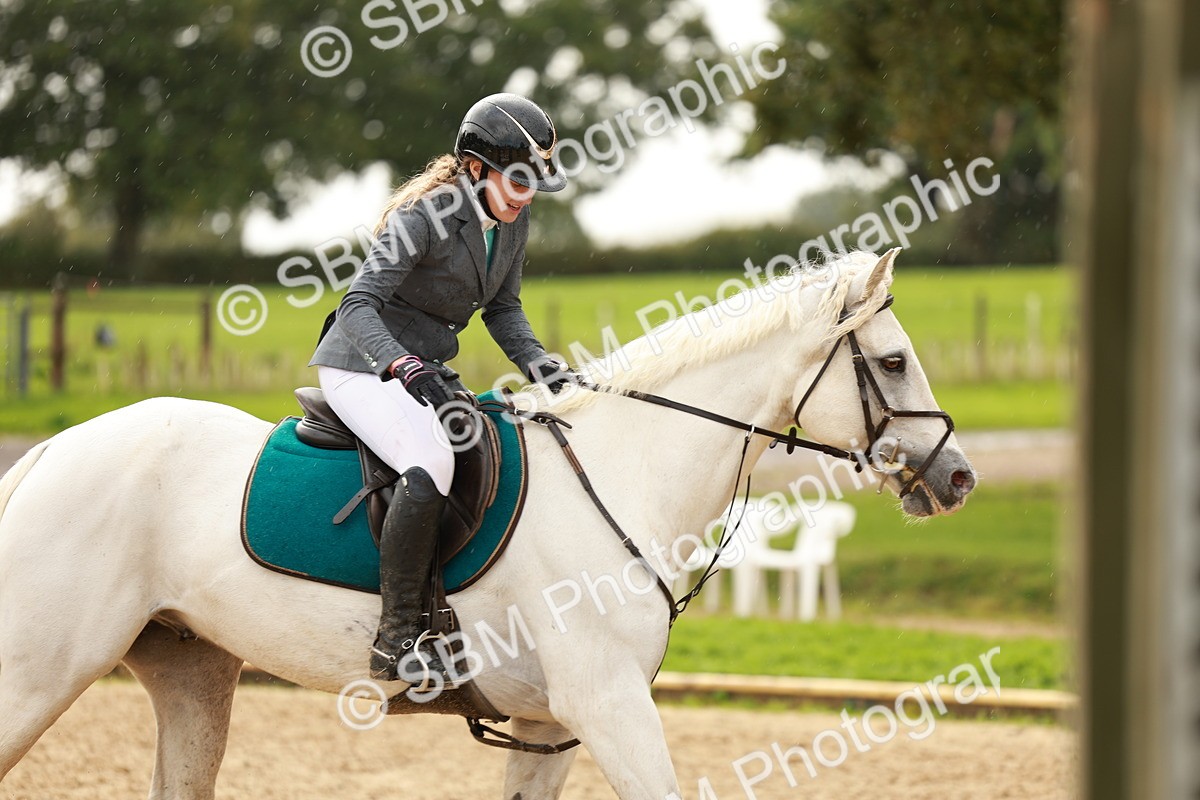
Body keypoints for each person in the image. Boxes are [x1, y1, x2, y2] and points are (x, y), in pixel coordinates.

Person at [309, 94, 579, 685]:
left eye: (534, 185)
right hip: (360, 363)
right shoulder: (422, 218)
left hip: (422, 364)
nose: (525, 197)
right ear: (476, 169)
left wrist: (541, 364)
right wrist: (401, 365)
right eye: (516, 182)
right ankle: (397, 632)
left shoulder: (513, 220)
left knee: (492, 441)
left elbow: (503, 308)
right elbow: (358, 305)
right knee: (429, 457)